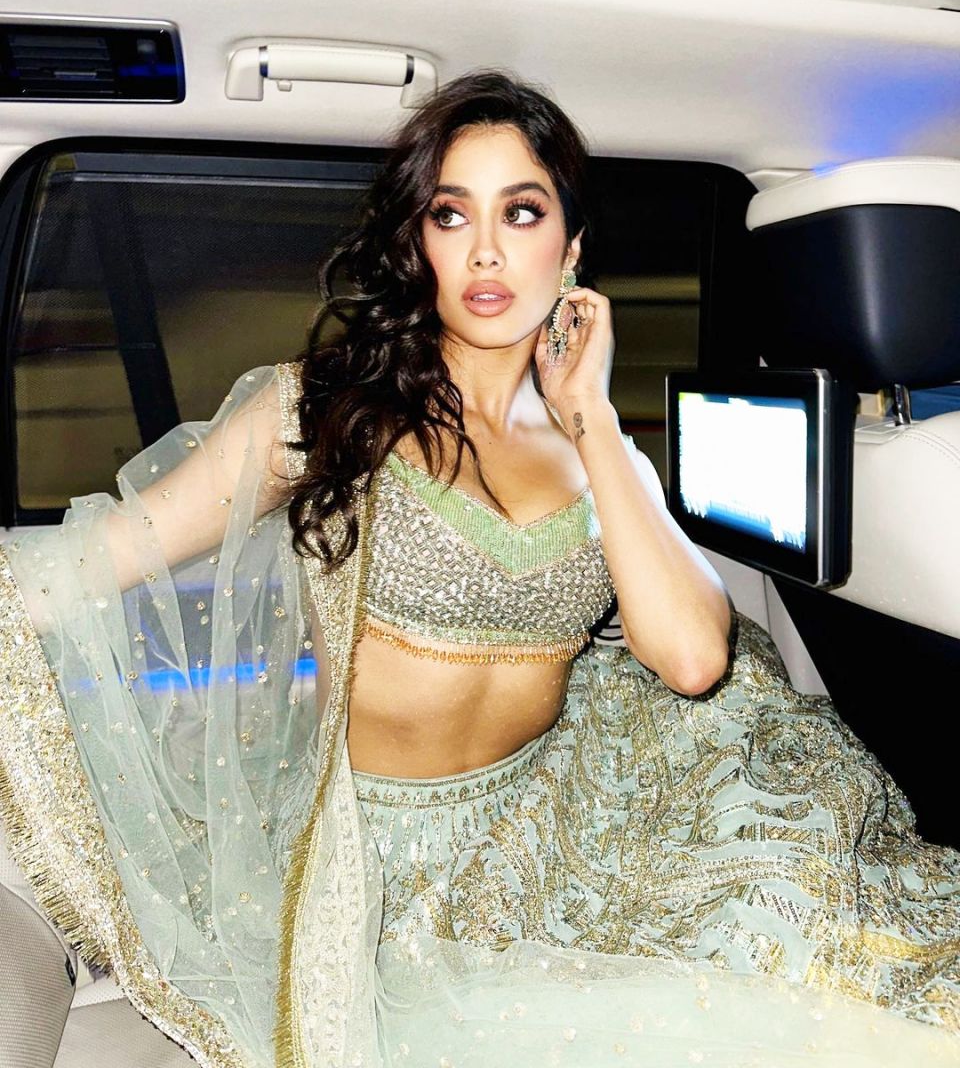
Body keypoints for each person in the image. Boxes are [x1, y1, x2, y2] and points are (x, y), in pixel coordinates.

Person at [0, 70, 958, 1068]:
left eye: (523, 212)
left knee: (839, 958)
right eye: (452, 215)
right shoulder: (324, 413)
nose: (487, 250)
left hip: (555, 822)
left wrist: (589, 415)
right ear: (419, 243)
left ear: (571, 247)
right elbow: (107, 554)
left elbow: (690, 660)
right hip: (373, 860)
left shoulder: (604, 454)